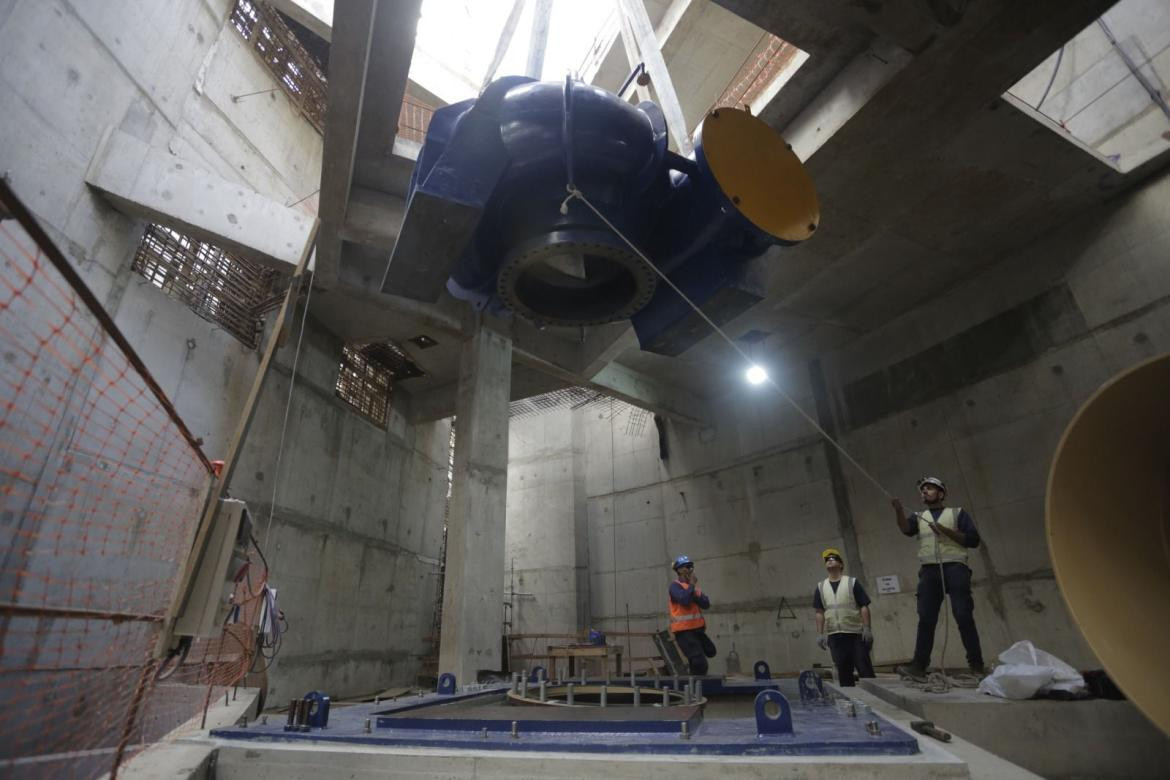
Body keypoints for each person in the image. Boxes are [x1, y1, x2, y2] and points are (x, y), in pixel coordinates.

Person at [892, 476, 986, 681]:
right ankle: (919, 666)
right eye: (923, 489)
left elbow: (973, 540)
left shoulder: (957, 513)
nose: (924, 491)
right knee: (926, 619)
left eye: (930, 488)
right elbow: (906, 530)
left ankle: (977, 666)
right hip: (929, 572)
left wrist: (944, 531)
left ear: (941, 494)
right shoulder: (919, 516)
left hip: (955, 568)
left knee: (963, 615)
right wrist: (899, 511)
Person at [813, 548, 875, 686]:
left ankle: (878, 701)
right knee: (844, 672)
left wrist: (867, 628)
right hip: (835, 636)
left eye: (833, 558)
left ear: (841, 564)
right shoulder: (821, 586)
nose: (829, 561)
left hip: (856, 634)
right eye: (827, 560)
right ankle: (852, 701)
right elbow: (819, 612)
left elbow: (864, 606)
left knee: (864, 669)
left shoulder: (851, 582)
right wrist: (820, 634)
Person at [668, 554, 717, 675]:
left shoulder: (692, 587)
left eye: (690, 567)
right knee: (699, 663)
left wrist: (693, 589)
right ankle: (696, 687)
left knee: (711, 651)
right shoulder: (675, 586)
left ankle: (694, 680)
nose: (688, 569)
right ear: (678, 570)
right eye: (685, 567)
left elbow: (705, 604)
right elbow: (684, 600)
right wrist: (692, 586)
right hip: (684, 632)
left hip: (697, 630)